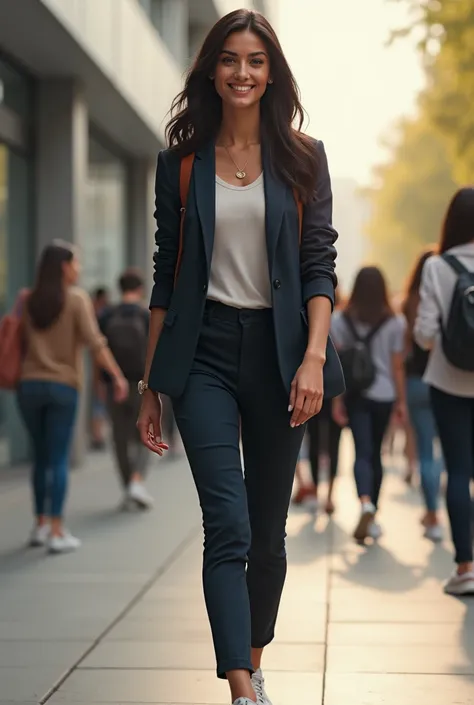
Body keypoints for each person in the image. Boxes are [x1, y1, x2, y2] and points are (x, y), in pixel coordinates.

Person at [136, 10, 343, 705]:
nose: (243, 72)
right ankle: (240, 683)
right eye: (230, 59)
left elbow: (319, 268)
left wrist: (313, 358)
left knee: (268, 530)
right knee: (226, 520)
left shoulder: (304, 158)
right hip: (204, 356)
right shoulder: (181, 164)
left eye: (256, 60)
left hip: (284, 359)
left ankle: (254, 653)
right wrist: (150, 384)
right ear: (212, 71)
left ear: (272, 72)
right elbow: (167, 274)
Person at [18, 241, 128, 553]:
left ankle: (40, 525)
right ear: (63, 267)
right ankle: (56, 530)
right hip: (63, 386)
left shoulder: (28, 300)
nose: (78, 268)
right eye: (75, 263)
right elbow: (96, 343)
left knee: (40, 458)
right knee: (57, 459)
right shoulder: (76, 299)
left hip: (29, 387)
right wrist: (118, 376)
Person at [414, 187, 474, 595]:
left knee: (458, 470)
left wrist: (453, 345)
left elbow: (423, 334)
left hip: (448, 382)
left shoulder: (437, 266)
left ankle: (465, 567)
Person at [332, 266, 407, 542]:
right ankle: (373, 513)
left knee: (361, 451)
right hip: (384, 395)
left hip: (355, 395)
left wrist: (337, 402)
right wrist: (401, 401)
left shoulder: (340, 320)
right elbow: (397, 366)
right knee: (376, 454)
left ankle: (364, 502)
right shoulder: (395, 322)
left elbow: (337, 364)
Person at [99, 268, 153, 510]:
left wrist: (102, 384)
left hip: (114, 384)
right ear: (140, 289)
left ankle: (129, 487)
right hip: (142, 384)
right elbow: (154, 352)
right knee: (147, 435)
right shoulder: (145, 315)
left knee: (119, 439)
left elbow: (99, 352)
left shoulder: (107, 314)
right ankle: (137, 481)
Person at [402, 248, 443, 542]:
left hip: (416, 381)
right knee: (450, 452)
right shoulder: (446, 294)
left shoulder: (408, 303)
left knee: (426, 452)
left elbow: (403, 347)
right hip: (446, 380)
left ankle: (432, 514)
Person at [90, 286, 110, 450]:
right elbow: (97, 346)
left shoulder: (99, 316)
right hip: (98, 366)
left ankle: (97, 435)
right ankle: (97, 435)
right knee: (98, 402)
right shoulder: (100, 317)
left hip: (97, 367)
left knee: (99, 403)